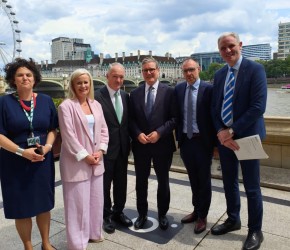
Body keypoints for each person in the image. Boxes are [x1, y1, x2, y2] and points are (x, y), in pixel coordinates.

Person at [211, 32, 267, 250]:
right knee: (229, 182)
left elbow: (257, 107)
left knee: (252, 187)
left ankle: (255, 230)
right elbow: (215, 107)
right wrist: (220, 132)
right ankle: (233, 219)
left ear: (240, 45)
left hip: (248, 136)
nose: (227, 51)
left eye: (231, 46)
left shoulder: (255, 70)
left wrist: (231, 130)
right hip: (225, 138)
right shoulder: (219, 75)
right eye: (223, 48)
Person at [0, 58, 58, 250]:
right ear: (13, 80)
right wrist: (22, 152)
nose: (24, 78)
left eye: (28, 75)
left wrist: (48, 147)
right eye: (19, 75)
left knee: (43, 204)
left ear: (34, 79)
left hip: (42, 159)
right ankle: (28, 245)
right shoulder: (3, 102)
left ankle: (46, 243)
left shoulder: (46, 101)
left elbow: (53, 129)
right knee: (21, 207)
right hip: (14, 161)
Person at [58, 69, 109, 250]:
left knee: (96, 201)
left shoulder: (96, 105)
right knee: (76, 205)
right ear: (72, 85)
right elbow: (68, 136)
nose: (83, 86)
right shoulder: (66, 106)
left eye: (86, 82)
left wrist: (101, 150)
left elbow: (104, 130)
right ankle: (77, 243)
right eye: (79, 82)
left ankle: (94, 233)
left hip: (96, 161)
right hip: (76, 163)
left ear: (91, 84)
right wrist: (85, 155)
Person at [129, 57, 177, 230]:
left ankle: (162, 214)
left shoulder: (170, 92)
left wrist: (160, 132)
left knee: (163, 181)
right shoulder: (134, 94)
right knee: (141, 182)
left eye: (151, 69)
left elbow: (175, 118)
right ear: (142, 73)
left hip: (162, 145)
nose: (148, 73)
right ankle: (142, 214)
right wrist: (137, 134)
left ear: (158, 70)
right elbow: (131, 120)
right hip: (141, 145)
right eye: (145, 70)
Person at [174, 58, 215, 234]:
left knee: (204, 180)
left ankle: (202, 216)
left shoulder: (209, 90)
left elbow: (214, 118)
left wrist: (215, 145)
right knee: (192, 179)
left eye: (192, 70)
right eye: (185, 71)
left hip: (203, 142)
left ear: (199, 69)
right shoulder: (179, 89)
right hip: (186, 141)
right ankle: (196, 209)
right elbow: (176, 114)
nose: (189, 74)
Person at [95, 62, 132, 234]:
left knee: (121, 183)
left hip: (123, 148)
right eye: (115, 76)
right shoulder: (96, 97)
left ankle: (118, 212)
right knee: (104, 184)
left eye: (121, 77)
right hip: (104, 149)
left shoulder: (125, 96)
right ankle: (106, 215)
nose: (118, 80)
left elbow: (126, 123)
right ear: (107, 76)